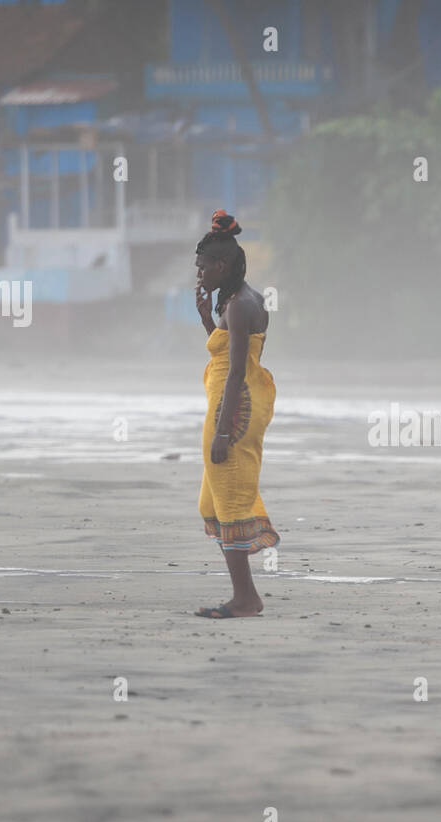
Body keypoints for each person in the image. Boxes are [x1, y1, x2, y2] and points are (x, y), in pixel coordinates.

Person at [192, 209, 278, 618]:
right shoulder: (238, 300)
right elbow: (228, 352)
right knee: (216, 497)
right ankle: (243, 594)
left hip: (234, 407)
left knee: (229, 497)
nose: (200, 274)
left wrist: (224, 433)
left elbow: (238, 370)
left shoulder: (242, 304)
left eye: (203, 267)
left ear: (222, 265)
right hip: (229, 402)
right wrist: (208, 319)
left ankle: (246, 598)